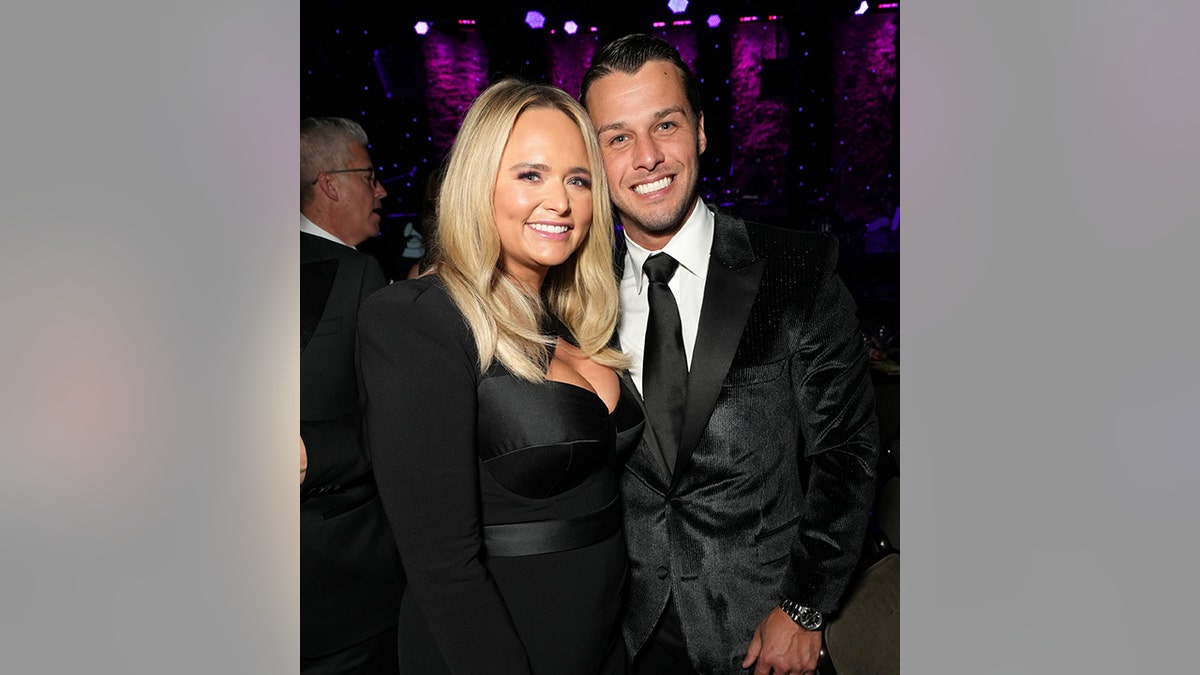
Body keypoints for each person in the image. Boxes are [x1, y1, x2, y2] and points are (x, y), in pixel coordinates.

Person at [579, 34, 881, 675]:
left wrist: (804, 607)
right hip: (621, 636)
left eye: (666, 124)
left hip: (762, 636)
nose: (648, 157)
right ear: (594, 156)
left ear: (702, 131)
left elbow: (848, 453)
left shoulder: (796, 267)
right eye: (618, 137)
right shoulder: (574, 291)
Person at [358, 78, 644, 674]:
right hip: (496, 647)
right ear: (479, 183)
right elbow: (441, 565)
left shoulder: (575, 319)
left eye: (578, 178)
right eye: (530, 175)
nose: (560, 201)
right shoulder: (420, 319)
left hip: (601, 642)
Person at [300, 116, 404, 675]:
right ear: (331, 184)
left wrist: (308, 455)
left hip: (342, 598)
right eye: (369, 175)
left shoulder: (362, 273)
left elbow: (391, 426)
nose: (382, 189)